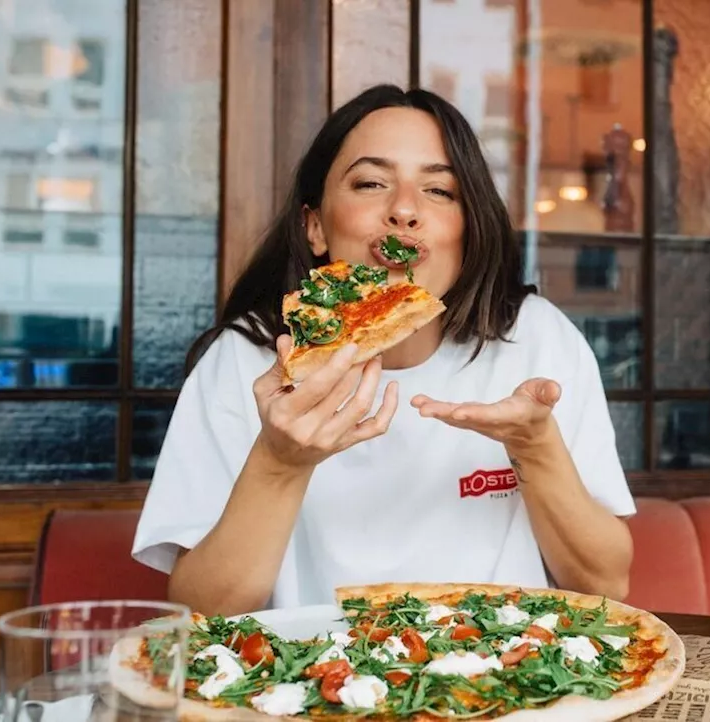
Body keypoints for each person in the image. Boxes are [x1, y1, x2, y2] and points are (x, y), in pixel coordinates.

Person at [131, 84, 635, 616]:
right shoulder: (249, 360)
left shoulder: (533, 339)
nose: (404, 211)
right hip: (310, 684)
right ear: (316, 226)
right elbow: (202, 614)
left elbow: (606, 585)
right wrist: (280, 463)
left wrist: (535, 448)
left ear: (469, 230)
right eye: (371, 183)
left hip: (503, 680)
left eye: (440, 191)